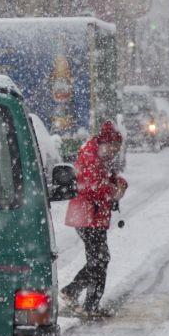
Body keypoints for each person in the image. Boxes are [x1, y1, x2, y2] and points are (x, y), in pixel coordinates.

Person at [60, 121, 128, 317]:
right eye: (115, 146)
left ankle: (81, 299)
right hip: (87, 217)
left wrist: (119, 183)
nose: (116, 151)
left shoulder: (100, 155)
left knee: (98, 260)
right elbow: (92, 187)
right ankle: (82, 300)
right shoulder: (91, 156)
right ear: (107, 142)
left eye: (118, 147)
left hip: (93, 216)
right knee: (99, 260)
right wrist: (114, 191)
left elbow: (106, 179)